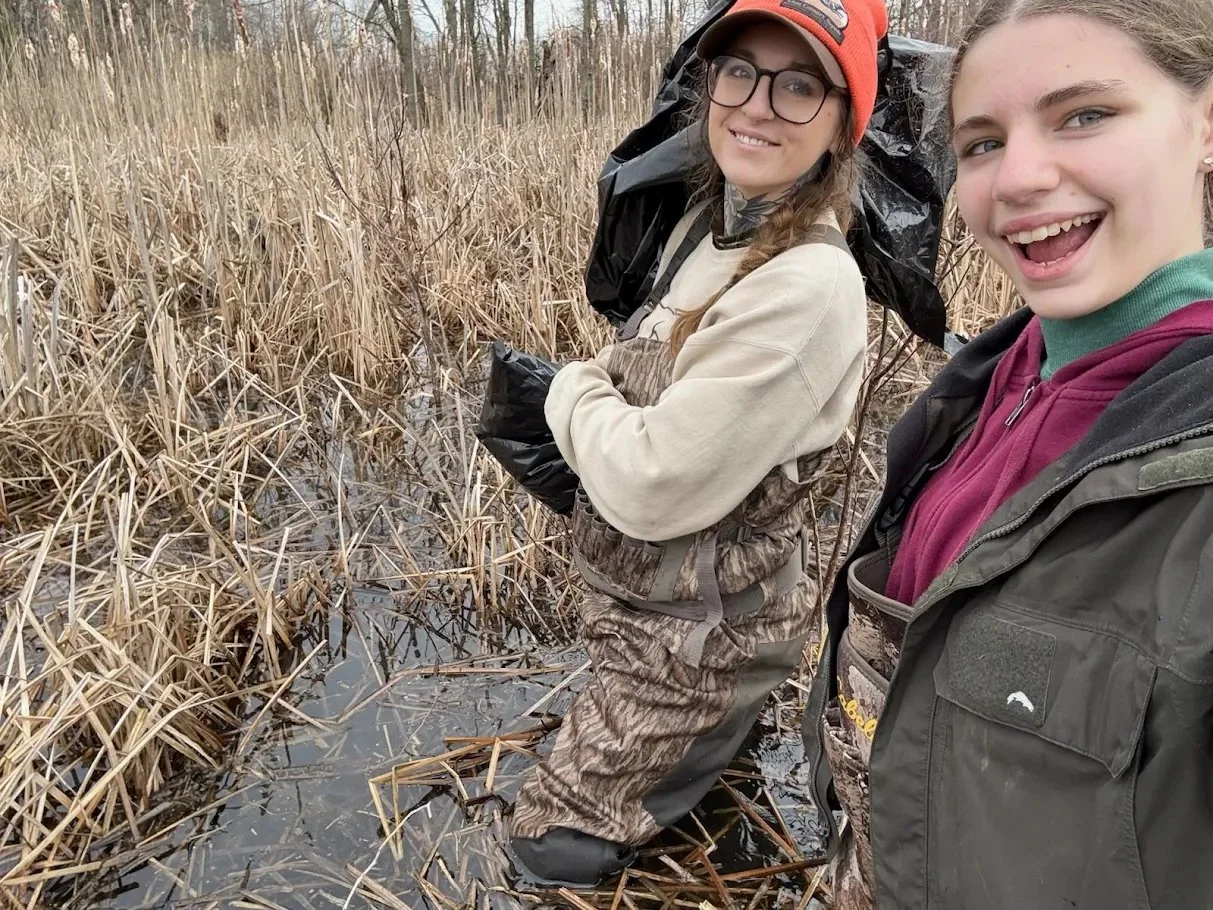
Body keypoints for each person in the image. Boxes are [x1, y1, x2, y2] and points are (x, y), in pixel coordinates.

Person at [802, 0, 1213, 906]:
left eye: (1084, 115)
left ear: (1204, 123)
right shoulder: (986, 379)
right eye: (982, 142)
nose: (1017, 177)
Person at [507, 0, 888, 887]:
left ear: (842, 122)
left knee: (545, 849)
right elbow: (633, 367)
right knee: (699, 809)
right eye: (739, 72)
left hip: (700, 639)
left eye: (800, 86)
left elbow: (651, 483)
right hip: (652, 612)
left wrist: (564, 389)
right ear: (706, 84)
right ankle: (708, 775)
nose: (757, 105)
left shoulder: (808, 286)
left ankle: (706, 747)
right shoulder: (714, 223)